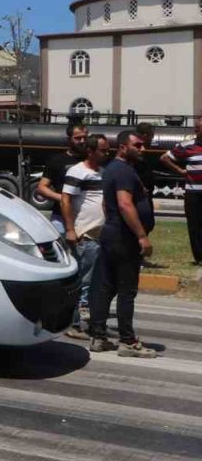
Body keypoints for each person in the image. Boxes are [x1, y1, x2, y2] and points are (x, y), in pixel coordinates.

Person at [88, 130, 158, 358]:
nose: (143, 148)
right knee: (127, 290)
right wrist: (141, 236)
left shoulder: (111, 170)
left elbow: (107, 207)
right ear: (123, 147)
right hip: (124, 238)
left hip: (112, 233)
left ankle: (98, 337)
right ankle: (128, 341)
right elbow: (125, 205)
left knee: (106, 286)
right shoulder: (125, 171)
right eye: (138, 145)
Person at [60, 134, 107, 338]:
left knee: (94, 282)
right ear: (90, 151)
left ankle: (87, 322)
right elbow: (65, 200)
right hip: (85, 236)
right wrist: (70, 229)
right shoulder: (77, 171)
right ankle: (74, 324)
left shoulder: (103, 173)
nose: (107, 153)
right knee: (83, 282)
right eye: (103, 150)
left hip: (100, 236)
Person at [160, 113, 202, 264]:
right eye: (196, 128)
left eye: (199, 128)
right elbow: (164, 157)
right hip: (193, 192)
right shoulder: (186, 146)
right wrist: (180, 171)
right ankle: (199, 257)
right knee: (194, 224)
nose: (197, 130)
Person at [38, 122, 87, 235]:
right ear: (69, 139)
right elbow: (42, 188)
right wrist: (63, 198)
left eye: (85, 137)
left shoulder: (91, 160)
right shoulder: (57, 160)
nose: (83, 141)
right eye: (78, 138)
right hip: (60, 217)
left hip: (84, 218)